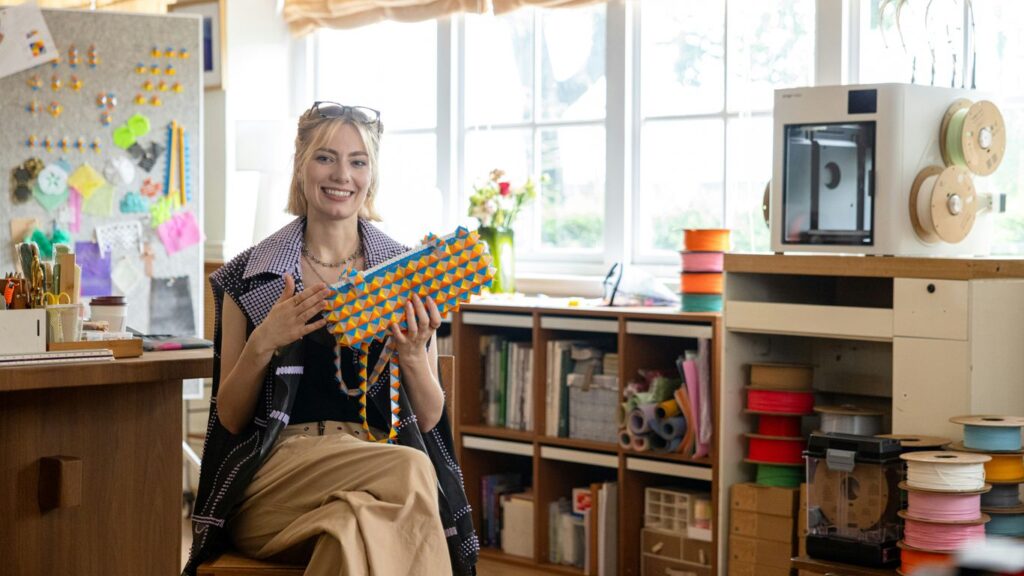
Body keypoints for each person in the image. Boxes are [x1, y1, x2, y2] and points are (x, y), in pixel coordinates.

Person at [182, 103, 478, 576]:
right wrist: (264, 342)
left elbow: (428, 416)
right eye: (326, 157)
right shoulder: (248, 278)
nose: (342, 174)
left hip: (370, 482)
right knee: (411, 469)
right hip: (275, 482)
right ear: (301, 165)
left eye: (358, 161)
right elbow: (232, 419)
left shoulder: (406, 274)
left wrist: (411, 355)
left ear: (371, 175)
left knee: (348, 533)